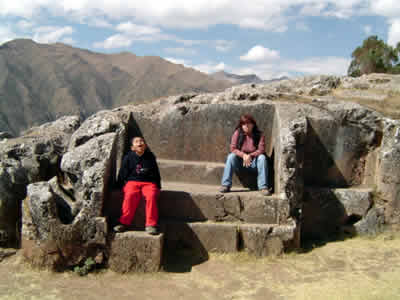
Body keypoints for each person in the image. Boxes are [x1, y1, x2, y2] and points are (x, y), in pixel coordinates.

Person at [114, 136, 161, 234]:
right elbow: (123, 172)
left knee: (151, 196)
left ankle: (151, 224)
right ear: (132, 147)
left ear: (145, 145)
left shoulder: (150, 157)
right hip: (133, 182)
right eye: (136, 141)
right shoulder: (128, 157)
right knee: (130, 195)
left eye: (141, 141)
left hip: (148, 182)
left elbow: (156, 172)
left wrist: (158, 185)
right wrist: (119, 185)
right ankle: (124, 222)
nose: (140, 143)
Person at [220, 114, 271, 196]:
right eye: (243, 124)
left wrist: (250, 156)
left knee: (262, 157)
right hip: (240, 163)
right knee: (231, 156)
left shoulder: (259, 134)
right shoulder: (237, 133)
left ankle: (263, 187)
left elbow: (261, 150)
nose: (246, 125)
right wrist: (244, 155)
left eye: (248, 123)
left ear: (253, 124)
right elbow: (233, 148)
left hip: (254, 163)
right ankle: (225, 185)